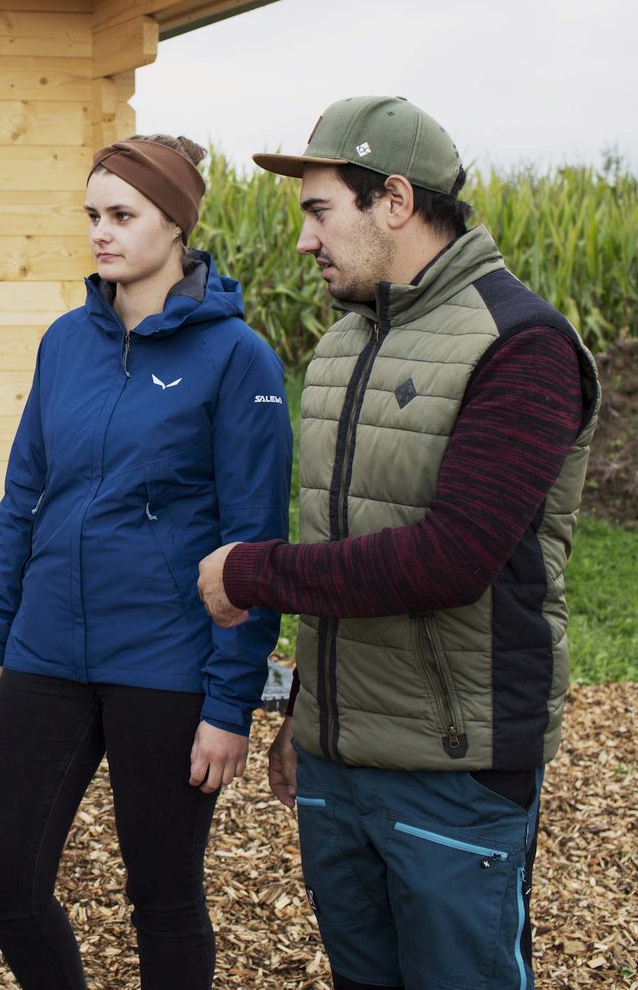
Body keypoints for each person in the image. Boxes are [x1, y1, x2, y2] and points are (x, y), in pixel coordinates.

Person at [197, 96, 599, 990]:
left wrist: (250, 574)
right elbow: (340, 530)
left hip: (454, 763)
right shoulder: (342, 343)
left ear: (394, 200)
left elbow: (451, 558)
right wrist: (306, 713)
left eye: (317, 210)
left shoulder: (522, 344)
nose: (304, 240)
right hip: (337, 761)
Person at [0, 134, 293, 989]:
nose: (101, 233)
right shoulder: (64, 343)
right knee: (1, 873)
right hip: (47, 650)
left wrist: (230, 702)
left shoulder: (237, 358)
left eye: (122, 215)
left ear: (176, 223)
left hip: (166, 660)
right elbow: (23, 495)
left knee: (164, 897)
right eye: (92, 215)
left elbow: (253, 542)